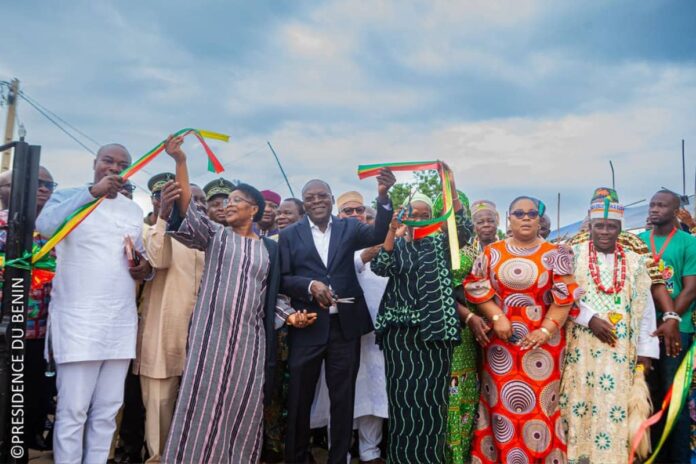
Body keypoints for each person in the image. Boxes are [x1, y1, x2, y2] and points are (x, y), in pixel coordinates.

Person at [160, 135, 314, 463]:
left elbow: (272, 295)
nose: (229, 204)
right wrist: (181, 162)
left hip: (250, 345)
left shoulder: (270, 249)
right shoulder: (215, 237)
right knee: (199, 406)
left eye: (237, 200)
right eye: (227, 200)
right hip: (209, 341)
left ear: (254, 209)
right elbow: (187, 208)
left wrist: (291, 317)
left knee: (241, 408)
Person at [36, 143, 153, 463]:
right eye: (108, 161)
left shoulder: (133, 210)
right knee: (73, 409)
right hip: (79, 319)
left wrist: (144, 269)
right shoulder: (68, 197)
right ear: (95, 163)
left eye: (122, 164)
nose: (114, 168)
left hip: (118, 320)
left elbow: (140, 257)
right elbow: (46, 228)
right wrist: (92, 193)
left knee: (107, 409)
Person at [280, 170, 396, 464]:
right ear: (303, 204)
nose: (316, 201)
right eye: (310, 198)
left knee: (343, 400)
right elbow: (283, 278)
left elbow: (378, 234)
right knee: (299, 398)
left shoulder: (348, 228)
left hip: (344, 328)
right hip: (308, 326)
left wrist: (382, 196)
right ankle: (298, 457)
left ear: (332, 200)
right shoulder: (289, 235)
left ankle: (338, 458)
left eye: (322, 196)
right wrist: (309, 286)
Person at [464, 196, 580, 464]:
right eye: (519, 213)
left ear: (539, 219)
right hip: (501, 345)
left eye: (532, 213)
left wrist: (545, 330)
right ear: (509, 218)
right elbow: (475, 286)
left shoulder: (557, 253)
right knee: (501, 407)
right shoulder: (492, 252)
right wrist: (496, 316)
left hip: (543, 346)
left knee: (541, 406)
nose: (526, 218)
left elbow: (565, 296)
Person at [371, 175, 473, 463]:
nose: (417, 218)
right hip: (399, 335)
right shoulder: (398, 245)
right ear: (404, 216)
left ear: (435, 218)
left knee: (432, 401)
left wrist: (450, 186)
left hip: (436, 333)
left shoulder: (443, 245)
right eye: (412, 214)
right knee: (403, 402)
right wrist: (392, 231)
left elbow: (463, 229)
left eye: (424, 215)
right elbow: (380, 267)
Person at [562, 197, 659, 464]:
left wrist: (645, 352)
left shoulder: (636, 262)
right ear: (590, 226)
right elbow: (560, 295)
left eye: (611, 227)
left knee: (615, 405)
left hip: (619, 350)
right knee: (578, 401)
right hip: (580, 348)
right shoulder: (572, 255)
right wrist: (589, 319)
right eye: (599, 226)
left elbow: (645, 309)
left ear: (620, 229)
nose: (605, 232)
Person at [132, 174, 207, 463]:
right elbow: (159, 260)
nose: (198, 205)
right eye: (192, 200)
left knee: (197, 407)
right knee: (160, 406)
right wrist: (163, 218)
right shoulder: (153, 231)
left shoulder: (212, 239)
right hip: (163, 335)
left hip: (201, 338)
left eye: (202, 201)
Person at [0, 166, 56, 450]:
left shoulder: (54, 229)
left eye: (49, 184)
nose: (45, 188)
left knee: (35, 386)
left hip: (42, 327)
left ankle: (30, 433)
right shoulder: (2, 225)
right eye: (38, 182)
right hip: (7, 323)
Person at [638, 190, 696, 463]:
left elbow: (691, 288)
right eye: (652, 204)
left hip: (677, 330)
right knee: (648, 395)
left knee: (674, 400)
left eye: (661, 205)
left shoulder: (688, 243)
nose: (654, 209)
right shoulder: (638, 242)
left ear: (675, 211)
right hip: (646, 331)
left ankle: (679, 458)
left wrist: (671, 319)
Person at [434, 191, 483, 464]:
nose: (449, 217)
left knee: (464, 389)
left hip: (468, 329)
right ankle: (442, 453)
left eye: (454, 210)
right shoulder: (428, 245)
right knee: (441, 391)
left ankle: (461, 453)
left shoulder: (474, 248)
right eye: (443, 211)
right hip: (437, 328)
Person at [342, 190, 389, 464]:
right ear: (339, 217)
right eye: (348, 211)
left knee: (374, 390)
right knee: (342, 390)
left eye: (362, 211)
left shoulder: (385, 246)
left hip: (378, 333)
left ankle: (369, 451)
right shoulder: (336, 244)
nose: (356, 215)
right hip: (344, 331)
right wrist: (363, 257)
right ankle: (342, 451)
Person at [262, 197, 305, 463]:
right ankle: (272, 447)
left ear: (302, 217)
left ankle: (299, 445)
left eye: (288, 213)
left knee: (300, 391)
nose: (281, 216)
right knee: (274, 387)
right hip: (278, 329)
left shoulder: (307, 245)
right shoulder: (270, 245)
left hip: (309, 325)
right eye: (279, 213)